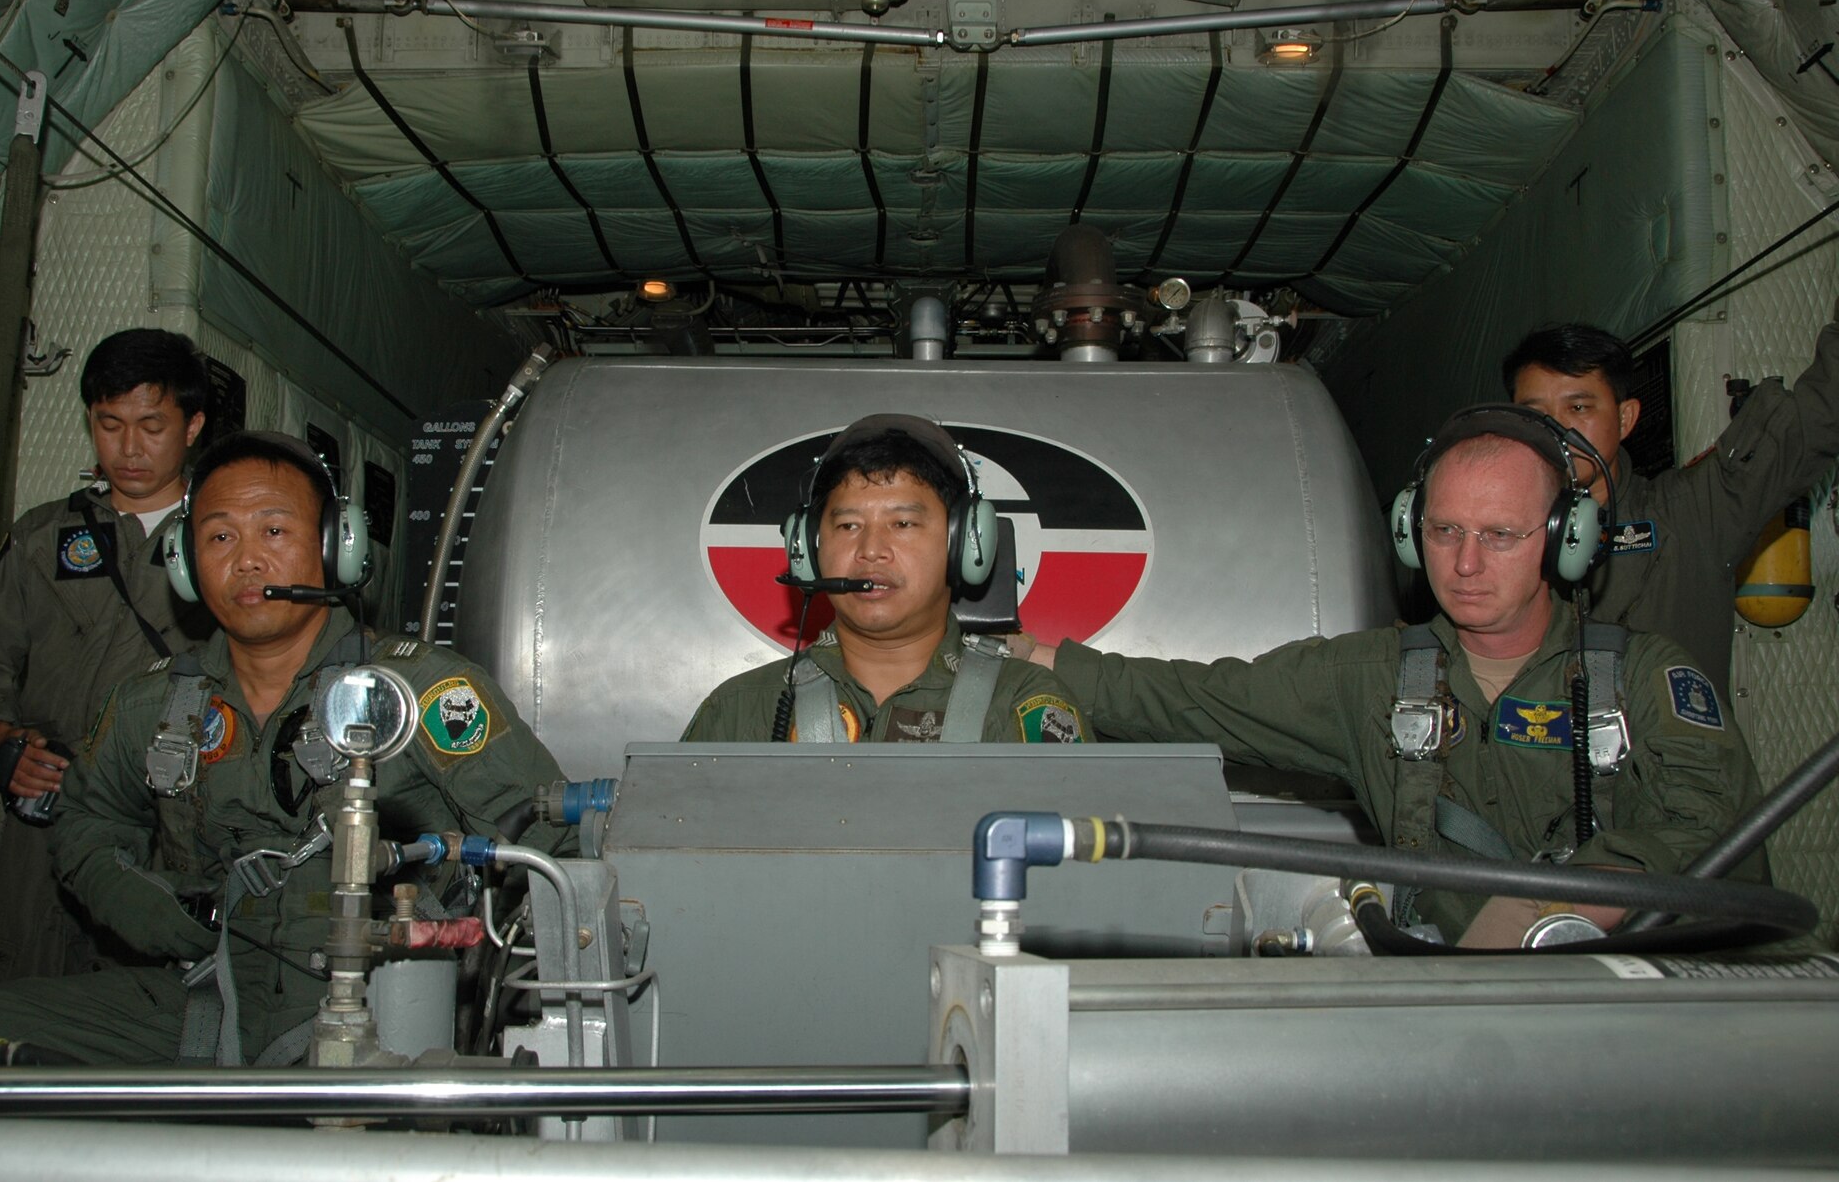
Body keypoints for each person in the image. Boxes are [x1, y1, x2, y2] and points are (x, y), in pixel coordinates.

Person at [0, 431, 568, 1066]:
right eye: (220, 538)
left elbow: (550, 849)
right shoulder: (153, 705)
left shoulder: (425, 694)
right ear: (184, 562)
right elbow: (87, 828)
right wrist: (165, 916)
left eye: (274, 530)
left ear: (335, 548)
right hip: (205, 992)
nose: (248, 560)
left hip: (388, 1008)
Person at [1032, 407, 1762, 947]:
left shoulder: (1645, 677)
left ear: (1568, 540)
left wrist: (1553, 910)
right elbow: (1194, 699)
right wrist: (1027, 657)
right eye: (1445, 532)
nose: (1466, 564)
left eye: (1501, 536)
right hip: (1449, 1008)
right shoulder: (1372, 677)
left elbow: (1710, 827)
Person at [0, 327, 216, 980]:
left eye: (150, 426)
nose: (127, 448)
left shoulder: (225, 548)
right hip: (42, 819)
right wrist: (2, 743)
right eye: (109, 425)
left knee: (144, 1011)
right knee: (19, 996)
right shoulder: (43, 540)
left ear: (192, 427)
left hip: (163, 823)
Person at [682, 414, 1093, 745]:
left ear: (963, 543)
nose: (871, 549)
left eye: (903, 522)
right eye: (847, 526)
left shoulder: (1025, 704)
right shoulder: (740, 709)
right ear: (807, 549)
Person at [1503, 304, 1839, 691]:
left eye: (1578, 407)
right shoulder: (1487, 536)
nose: (1558, 429)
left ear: (1625, 418)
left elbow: (1815, 423)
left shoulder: (1690, 510)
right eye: (1535, 414)